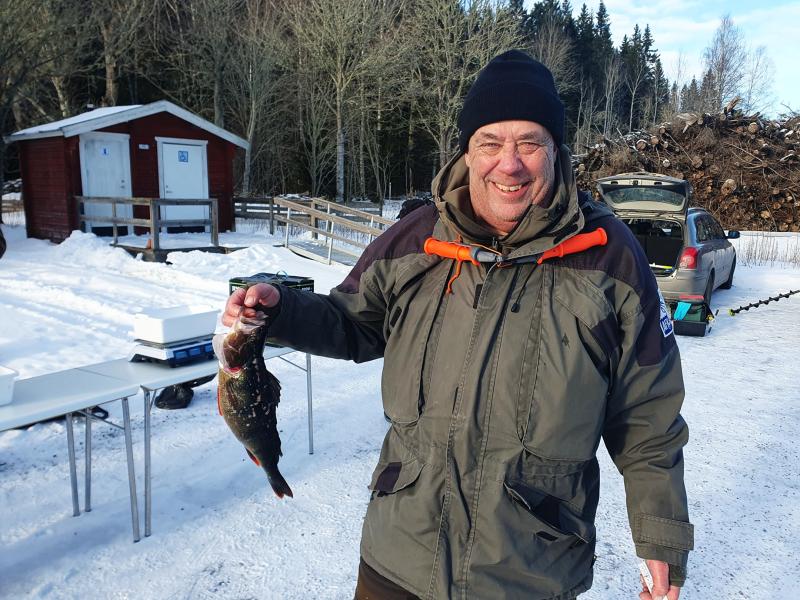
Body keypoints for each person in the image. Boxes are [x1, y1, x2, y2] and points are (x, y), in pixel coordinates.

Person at [223, 50, 693, 600]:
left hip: (530, 571)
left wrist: (660, 540)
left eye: (529, 143)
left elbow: (648, 418)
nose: (509, 164)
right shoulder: (417, 237)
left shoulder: (608, 257)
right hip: (398, 560)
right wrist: (278, 310)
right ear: (468, 153)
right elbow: (352, 323)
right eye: (490, 143)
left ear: (557, 153)